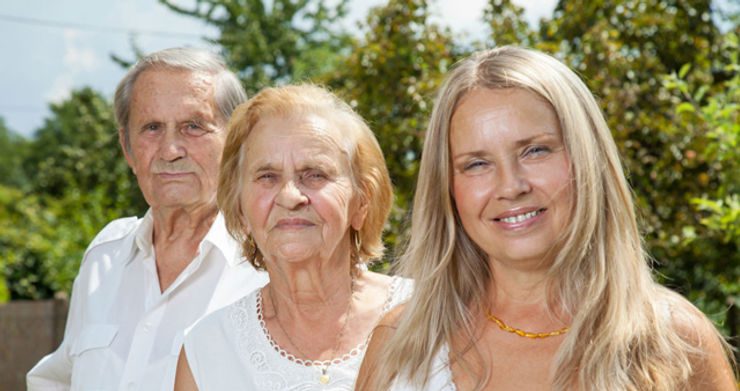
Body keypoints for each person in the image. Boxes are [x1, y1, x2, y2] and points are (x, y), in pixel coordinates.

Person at [356, 46, 737, 390]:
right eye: (476, 163)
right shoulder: (400, 345)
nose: (511, 186)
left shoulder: (674, 340)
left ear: (588, 160)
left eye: (535, 150)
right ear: (448, 189)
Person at [26, 47, 268, 391]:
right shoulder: (104, 257)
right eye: (152, 127)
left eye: (193, 126)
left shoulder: (270, 266)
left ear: (235, 144)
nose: (171, 149)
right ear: (127, 148)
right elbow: (56, 379)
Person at [173, 84, 413, 390]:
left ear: (362, 202)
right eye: (267, 177)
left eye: (315, 174)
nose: (289, 196)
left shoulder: (432, 316)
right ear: (240, 207)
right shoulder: (207, 350)